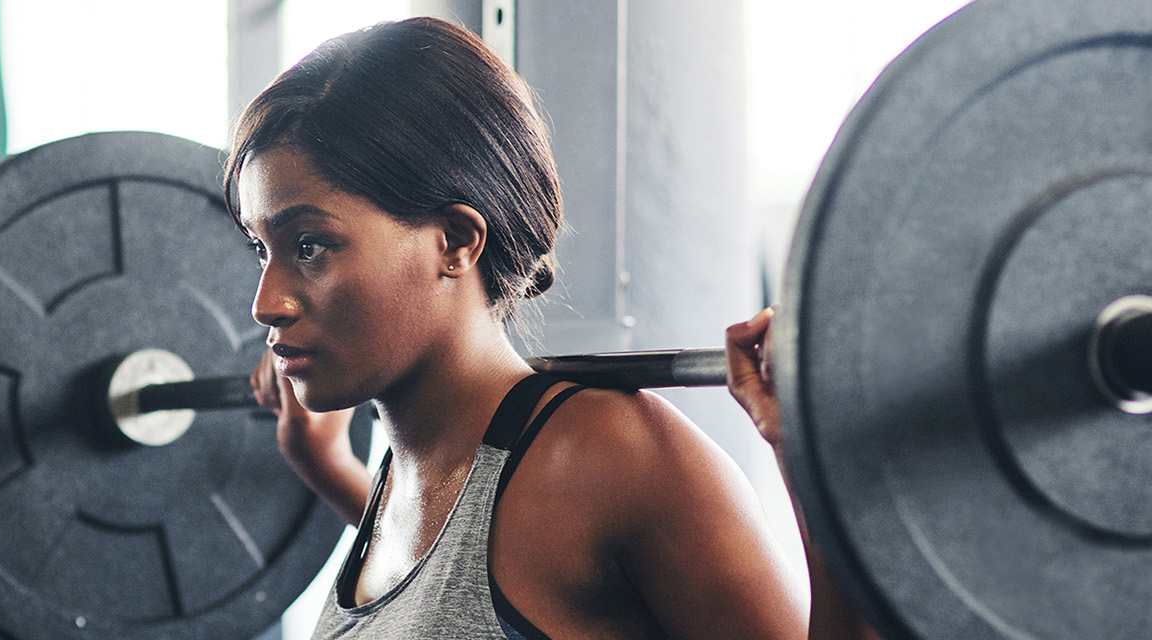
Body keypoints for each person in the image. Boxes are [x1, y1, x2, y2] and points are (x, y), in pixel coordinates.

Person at [229, 16, 875, 639]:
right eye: (263, 249)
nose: (265, 301)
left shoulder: (602, 457)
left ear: (455, 240)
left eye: (310, 246)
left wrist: (818, 460)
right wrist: (327, 466)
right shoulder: (404, 477)